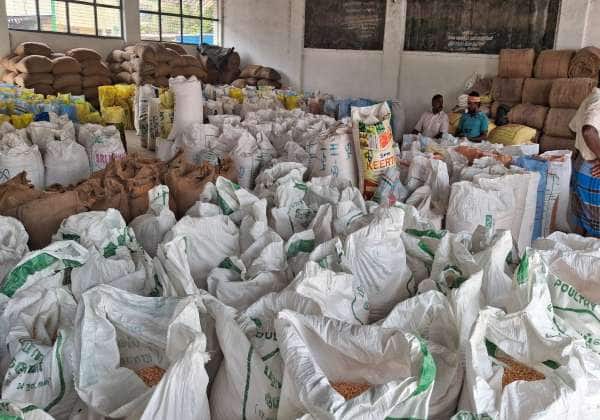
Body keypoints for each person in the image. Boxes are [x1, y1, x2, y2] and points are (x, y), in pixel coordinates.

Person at [570, 87, 600, 237]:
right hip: (594, 171)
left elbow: (573, 128)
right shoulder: (598, 101)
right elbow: (588, 131)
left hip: (582, 164)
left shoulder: (590, 99)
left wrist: (582, 146)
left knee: (583, 222)